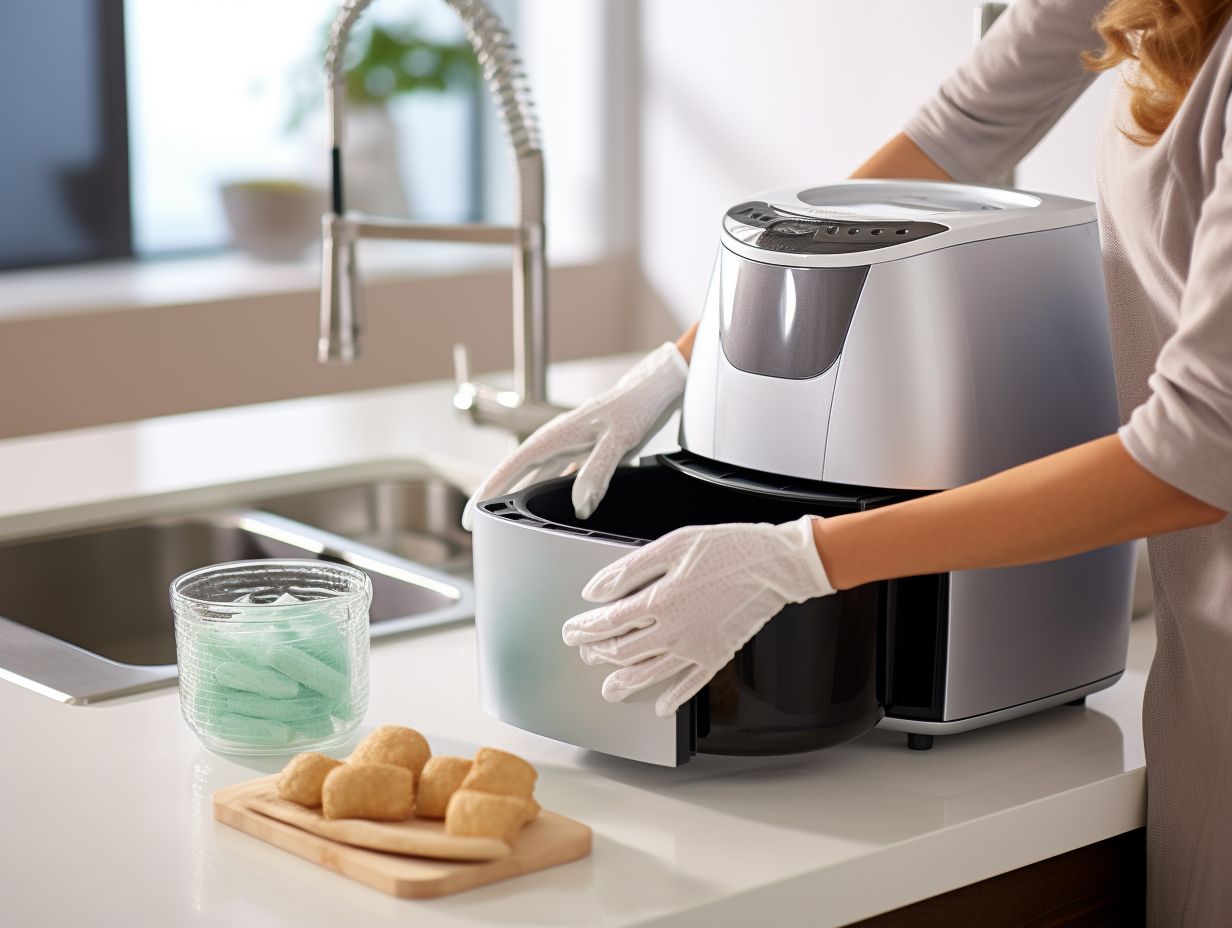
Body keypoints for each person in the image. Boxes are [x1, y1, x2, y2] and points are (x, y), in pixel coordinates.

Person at [464, 0, 1232, 921]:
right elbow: (957, 135)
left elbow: (1193, 452)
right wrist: (683, 360)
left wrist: (805, 561)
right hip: (1202, 664)